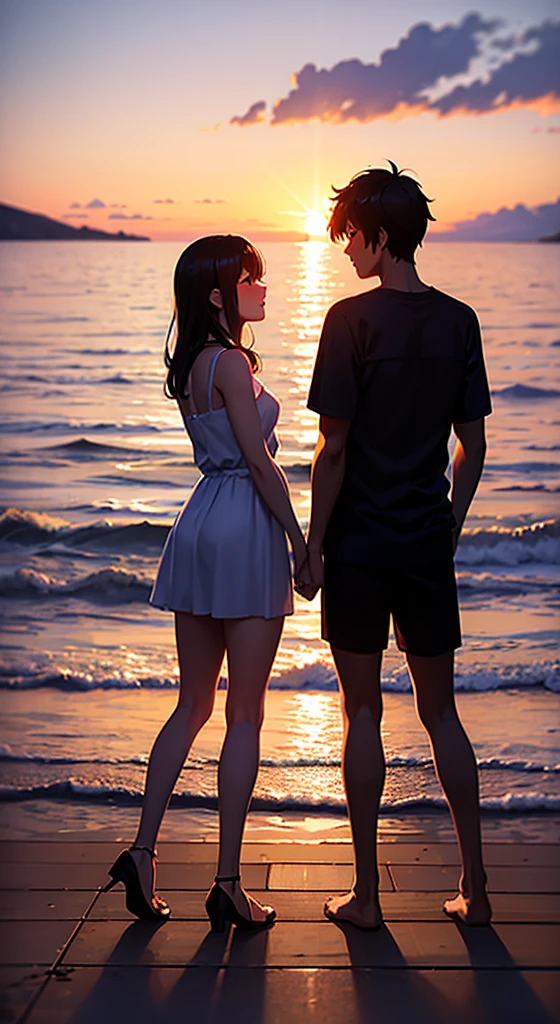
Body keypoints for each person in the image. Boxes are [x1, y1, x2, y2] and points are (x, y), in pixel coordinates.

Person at [303, 163, 493, 929]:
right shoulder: (460, 320)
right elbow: (471, 447)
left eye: (353, 234)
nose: (347, 248)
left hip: (357, 548)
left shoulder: (350, 321)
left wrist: (313, 545)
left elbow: (333, 450)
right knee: (441, 713)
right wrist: (448, 522)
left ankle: (368, 898)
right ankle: (476, 893)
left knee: (361, 714)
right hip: (423, 545)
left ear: (381, 237)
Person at [106, 235, 309, 931]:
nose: (263, 287)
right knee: (243, 713)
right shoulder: (228, 362)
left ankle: (141, 852)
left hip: (197, 525)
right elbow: (259, 463)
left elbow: (230, 455)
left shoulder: (195, 364)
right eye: (252, 278)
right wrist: (300, 540)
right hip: (243, 525)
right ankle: (227, 884)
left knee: (191, 704)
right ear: (220, 295)